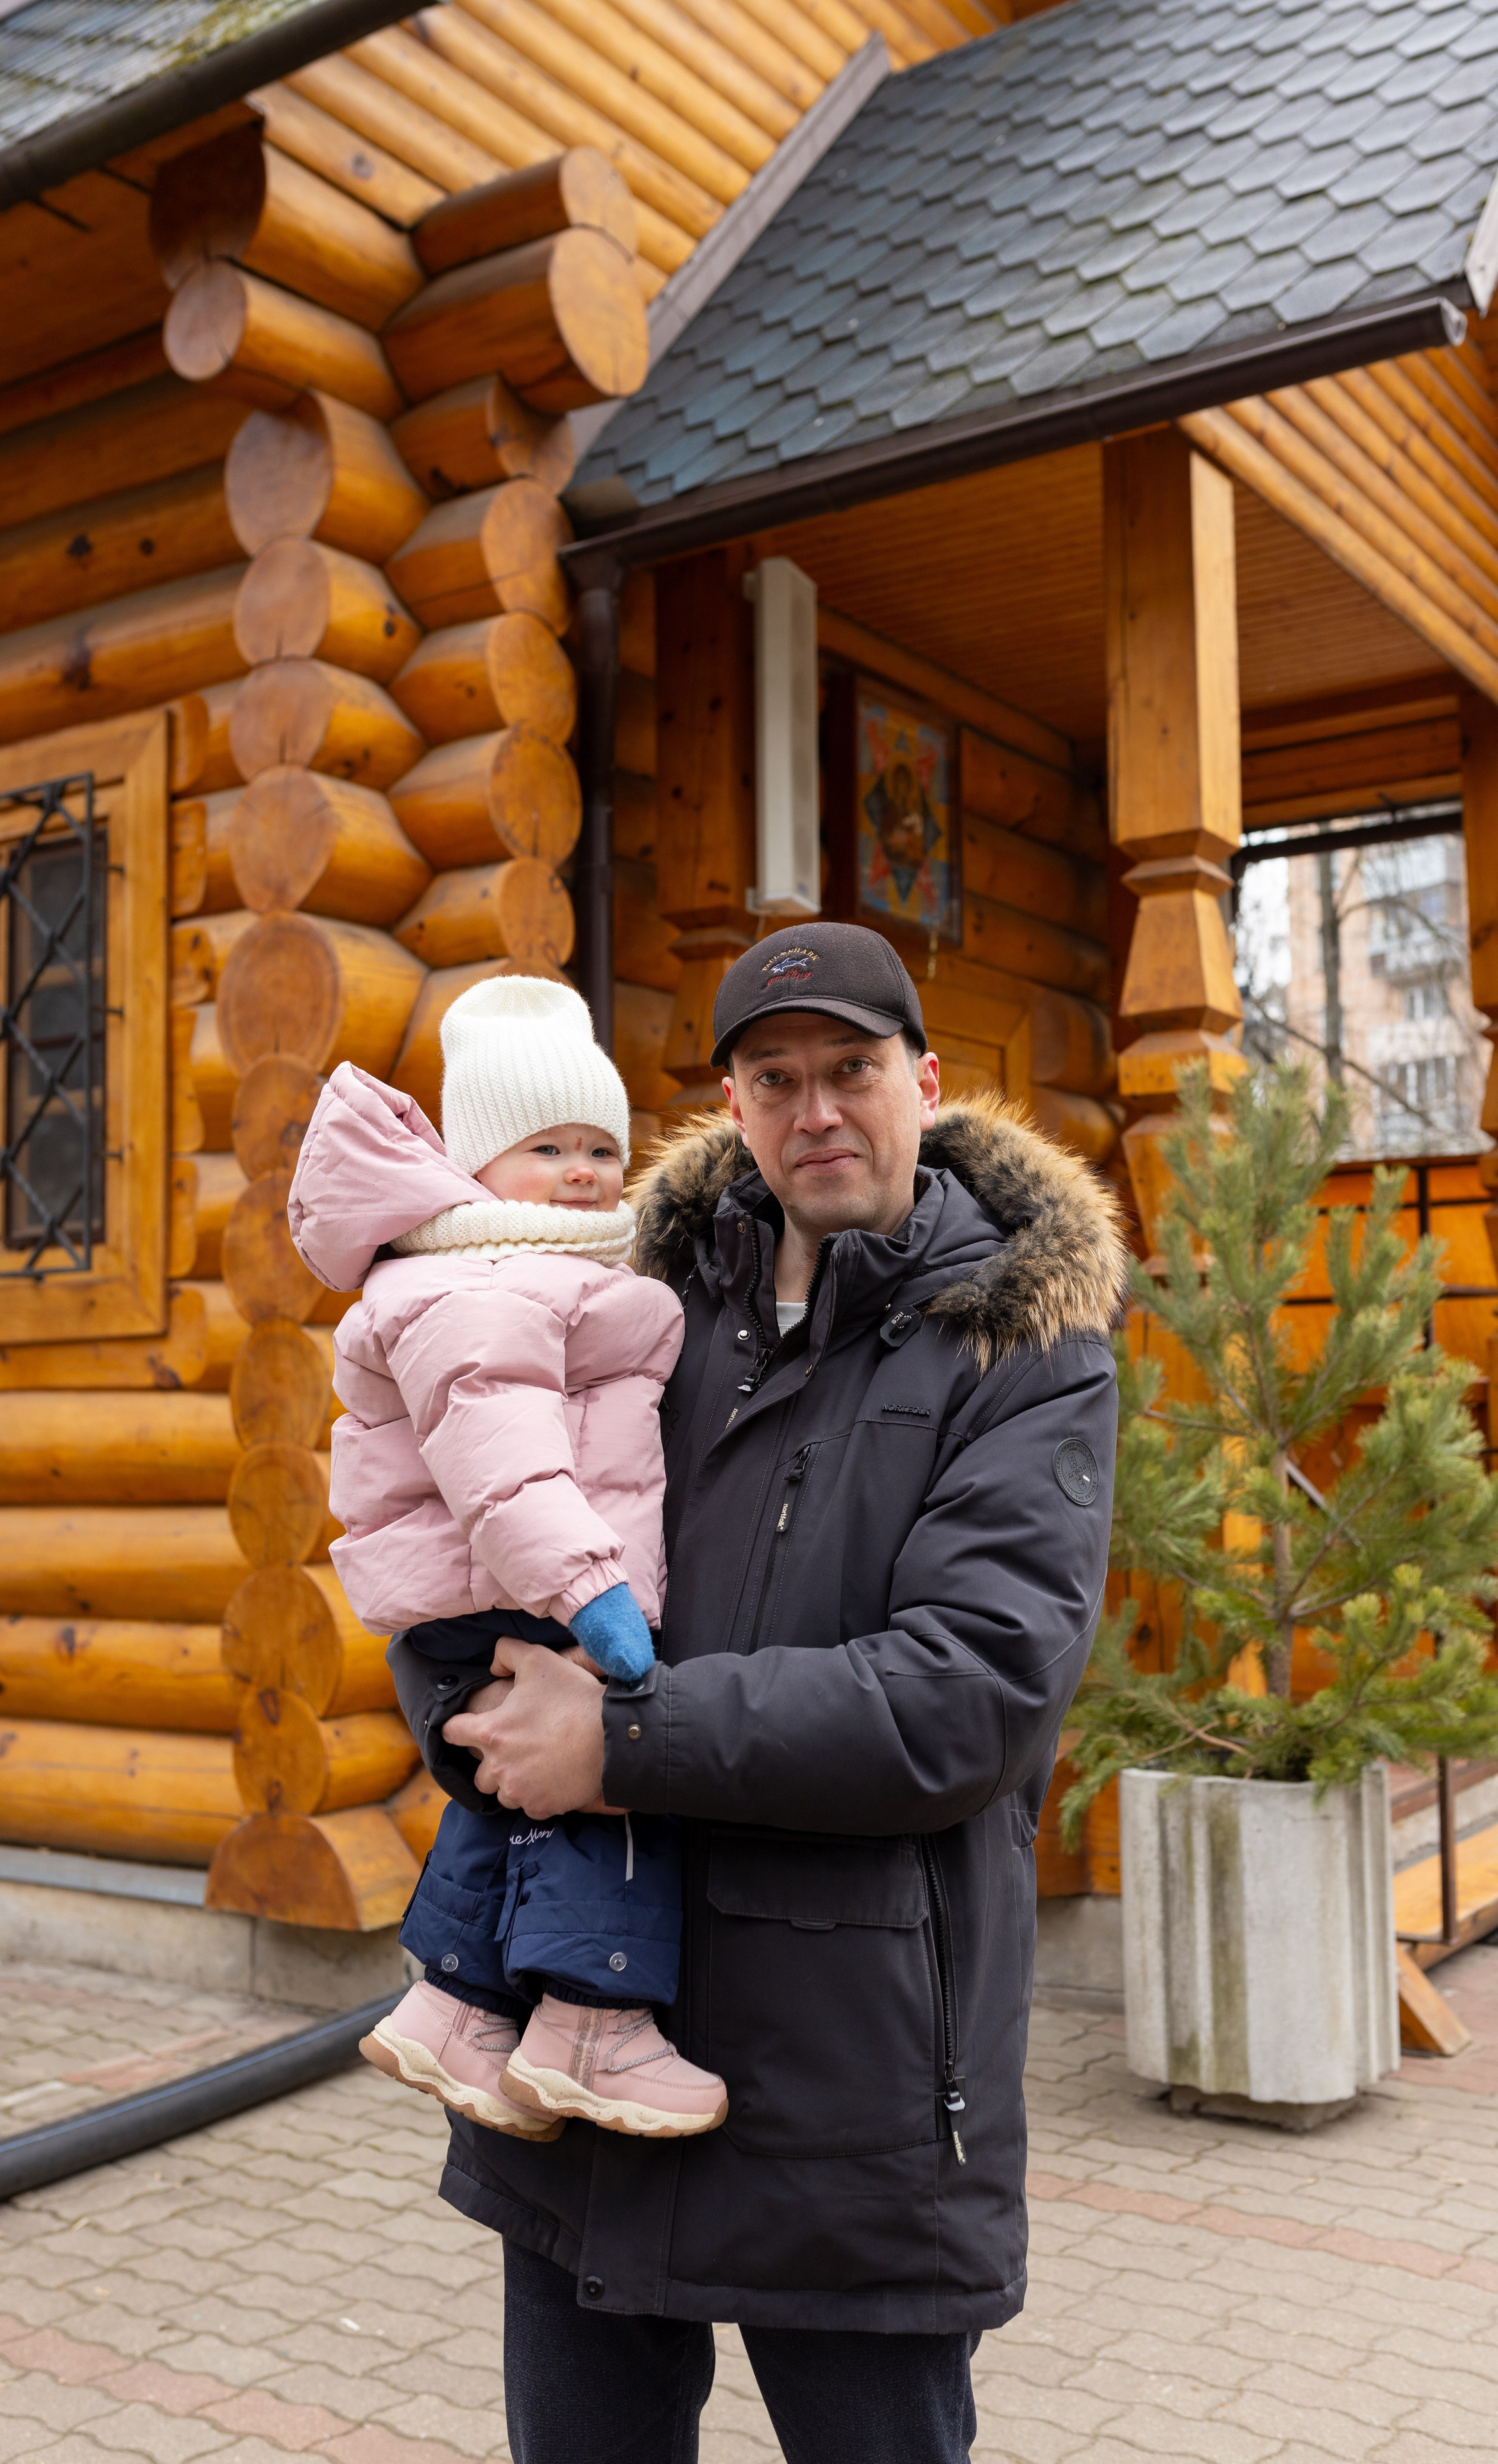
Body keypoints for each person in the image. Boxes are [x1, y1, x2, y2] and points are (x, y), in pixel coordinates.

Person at [388, 921, 1125, 2464]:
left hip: (849, 2076)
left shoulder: (1019, 1345)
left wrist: (616, 1739)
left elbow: (968, 1697)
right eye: (774, 1080)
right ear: (730, 1103)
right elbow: (456, 1552)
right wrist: (476, 1726)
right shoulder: (619, 1311)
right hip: (586, 2051)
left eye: (851, 1071)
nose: (817, 1114)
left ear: (923, 1080)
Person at [286, 975, 728, 2141]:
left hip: (500, 1583)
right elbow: (506, 1468)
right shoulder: (488, 1279)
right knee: (605, 1780)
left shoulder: (521, 1261)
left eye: (600, 1146)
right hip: (527, 1579)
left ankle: (457, 2004)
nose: (583, 1171)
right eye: (547, 1147)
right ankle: (596, 2024)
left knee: (511, 1792)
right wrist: (598, 1603)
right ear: (478, 1165)